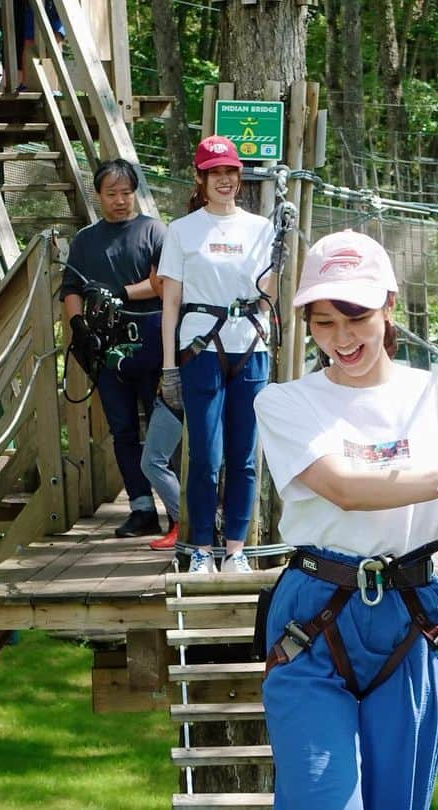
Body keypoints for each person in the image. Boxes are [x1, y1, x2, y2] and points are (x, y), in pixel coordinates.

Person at [252, 230, 438, 809]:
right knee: (319, 799)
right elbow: (343, 489)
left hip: (410, 615)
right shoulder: (284, 403)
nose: (341, 338)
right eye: (324, 322)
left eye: (356, 317)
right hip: (315, 616)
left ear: (390, 307)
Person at [158, 135, 276, 574]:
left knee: (245, 456)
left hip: (249, 345)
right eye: (216, 173)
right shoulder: (182, 230)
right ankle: (202, 549)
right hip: (199, 348)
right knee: (206, 455)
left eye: (230, 172)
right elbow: (170, 303)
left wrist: (277, 261)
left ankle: (236, 549)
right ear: (201, 178)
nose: (225, 180)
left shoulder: (260, 229)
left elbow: (266, 300)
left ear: (239, 177)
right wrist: (169, 366)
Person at [61, 158, 167, 538]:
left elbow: (163, 284)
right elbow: (70, 289)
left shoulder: (155, 231)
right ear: (99, 196)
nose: (120, 200)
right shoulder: (85, 241)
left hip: (153, 341)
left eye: (126, 192)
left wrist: (118, 294)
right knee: (122, 430)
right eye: (112, 194)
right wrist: (78, 327)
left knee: (163, 428)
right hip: (106, 347)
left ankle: (176, 506)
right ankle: (141, 508)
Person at [143, 394, 183, 550]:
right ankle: (186, 524)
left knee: (153, 461)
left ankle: (185, 524)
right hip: (173, 395)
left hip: (175, 396)